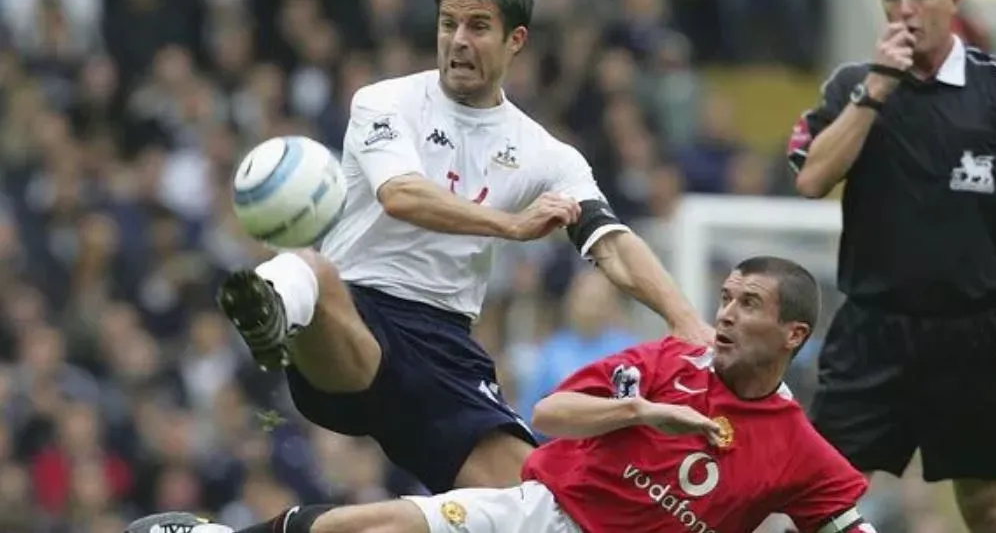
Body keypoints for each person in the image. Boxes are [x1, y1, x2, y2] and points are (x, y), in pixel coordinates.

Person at [216, 0, 711, 498]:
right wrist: (511, 225)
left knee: (538, 501)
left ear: (515, 40)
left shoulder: (545, 154)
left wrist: (687, 322)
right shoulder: (384, 101)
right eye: (448, 24)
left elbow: (611, 244)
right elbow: (400, 195)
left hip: (445, 351)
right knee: (308, 269)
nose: (457, 40)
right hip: (358, 318)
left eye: (478, 27)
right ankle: (272, 310)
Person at [128, 257, 879, 533]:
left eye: (749, 303)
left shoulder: (797, 448)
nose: (724, 312)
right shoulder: (666, 361)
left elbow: (846, 524)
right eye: (724, 296)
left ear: (792, 334)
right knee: (379, 523)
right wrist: (640, 409)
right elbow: (551, 413)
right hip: (540, 511)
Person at [787, 0, 996, 530]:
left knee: (984, 499)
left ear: (953, 0)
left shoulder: (991, 90)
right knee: (819, 491)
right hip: (871, 331)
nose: (905, 10)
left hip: (976, 332)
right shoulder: (853, 86)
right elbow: (811, 179)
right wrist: (878, 88)